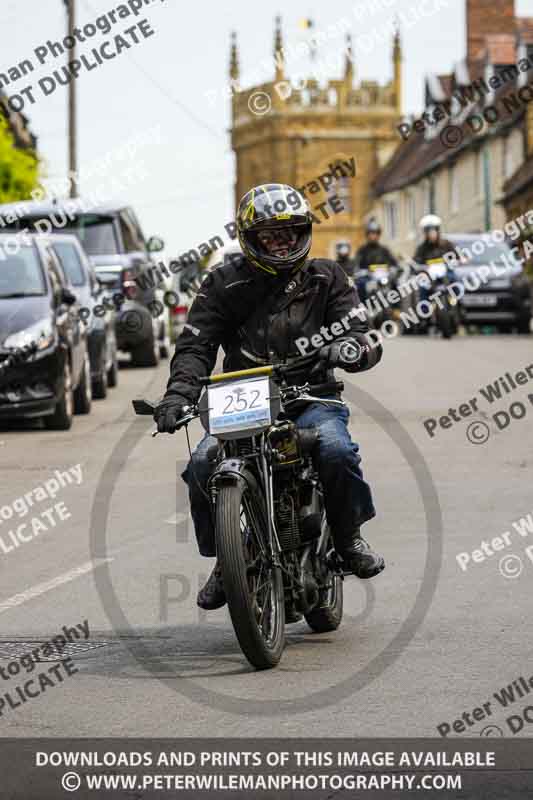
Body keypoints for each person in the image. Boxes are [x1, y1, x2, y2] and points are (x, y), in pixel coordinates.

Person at [154, 183, 385, 612]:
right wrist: (178, 396)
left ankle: (349, 537)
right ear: (250, 238)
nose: (282, 243)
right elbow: (195, 346)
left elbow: (359, 331)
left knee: (335, 450)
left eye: (290, 233)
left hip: (311, 395)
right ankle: (228, 559)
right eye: (270, 236)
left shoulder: (328, 277)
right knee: (203, 462)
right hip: (243, 398)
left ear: (303, 234)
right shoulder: (222, 283)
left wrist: (352, 348)